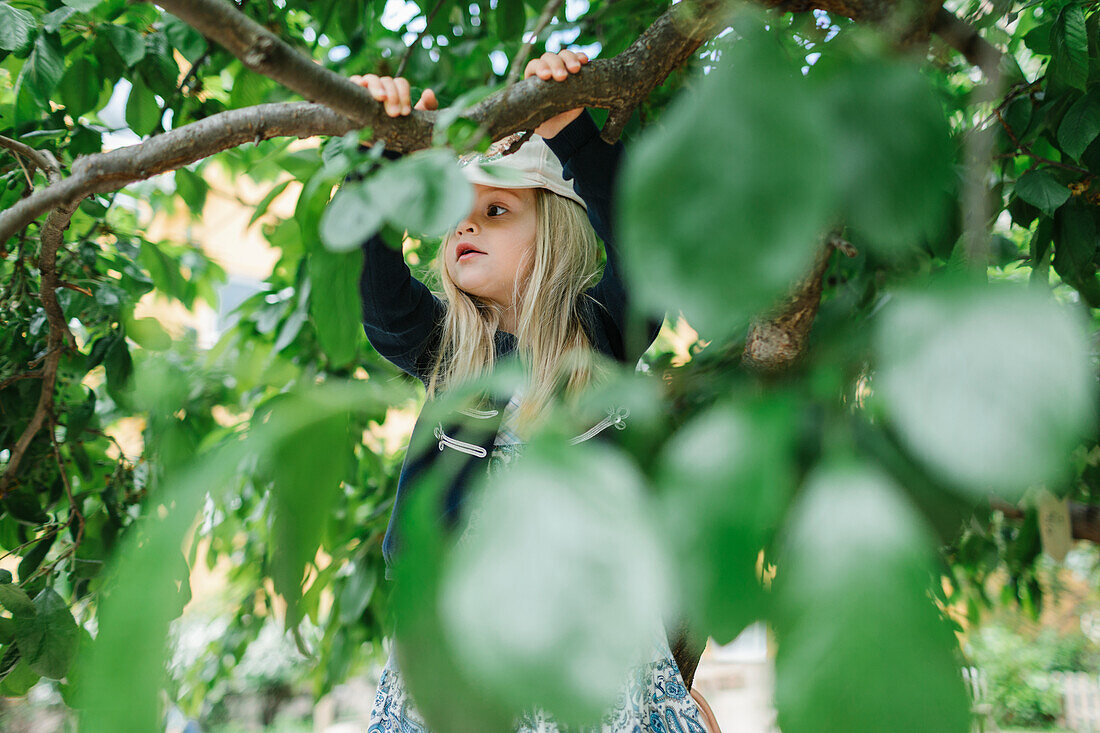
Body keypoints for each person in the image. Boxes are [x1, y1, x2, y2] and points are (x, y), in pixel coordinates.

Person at [351, 51, 718, 733]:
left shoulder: (599, 336)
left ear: (553, 231)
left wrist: (569, 126)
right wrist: (380, 165)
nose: (466, 225)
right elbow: (381, 302)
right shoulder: (451, 351)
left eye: (495, 209)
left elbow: (644, 251)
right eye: (457, 214)